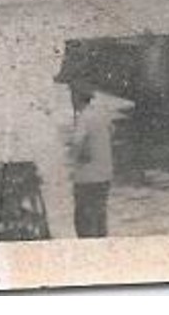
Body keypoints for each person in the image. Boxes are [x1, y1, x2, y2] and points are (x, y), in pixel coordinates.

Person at [68, 85, 113, 238]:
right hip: (105, 176)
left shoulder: (83, 118)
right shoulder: (101, 115)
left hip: (87, 179)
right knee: (100, 224)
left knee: (84, 226)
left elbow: (78, 149)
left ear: (76, 97)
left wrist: (71, 160)